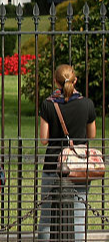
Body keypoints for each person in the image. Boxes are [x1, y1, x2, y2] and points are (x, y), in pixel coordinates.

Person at [37, 64, 97, 242]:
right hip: (78, 166)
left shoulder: (48, 104)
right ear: (75, 80)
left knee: (47, 218)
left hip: (53, 165)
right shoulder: (87, 104)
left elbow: (44, 140)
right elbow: (92, 135)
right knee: (78, 218)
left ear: (56, 82)